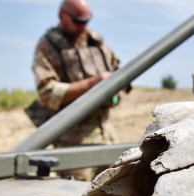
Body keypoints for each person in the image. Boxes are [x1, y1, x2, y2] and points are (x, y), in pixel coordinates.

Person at [28, 0, 125, 180]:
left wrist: (114, 92)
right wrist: (93, 83)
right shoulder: (47, 47)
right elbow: (47, 93)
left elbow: (121, 76)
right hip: (73, 146)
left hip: (108, 138)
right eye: (78, 21)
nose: (83, 26)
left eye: (87, 21)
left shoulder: (97, 44)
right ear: (62, 15)